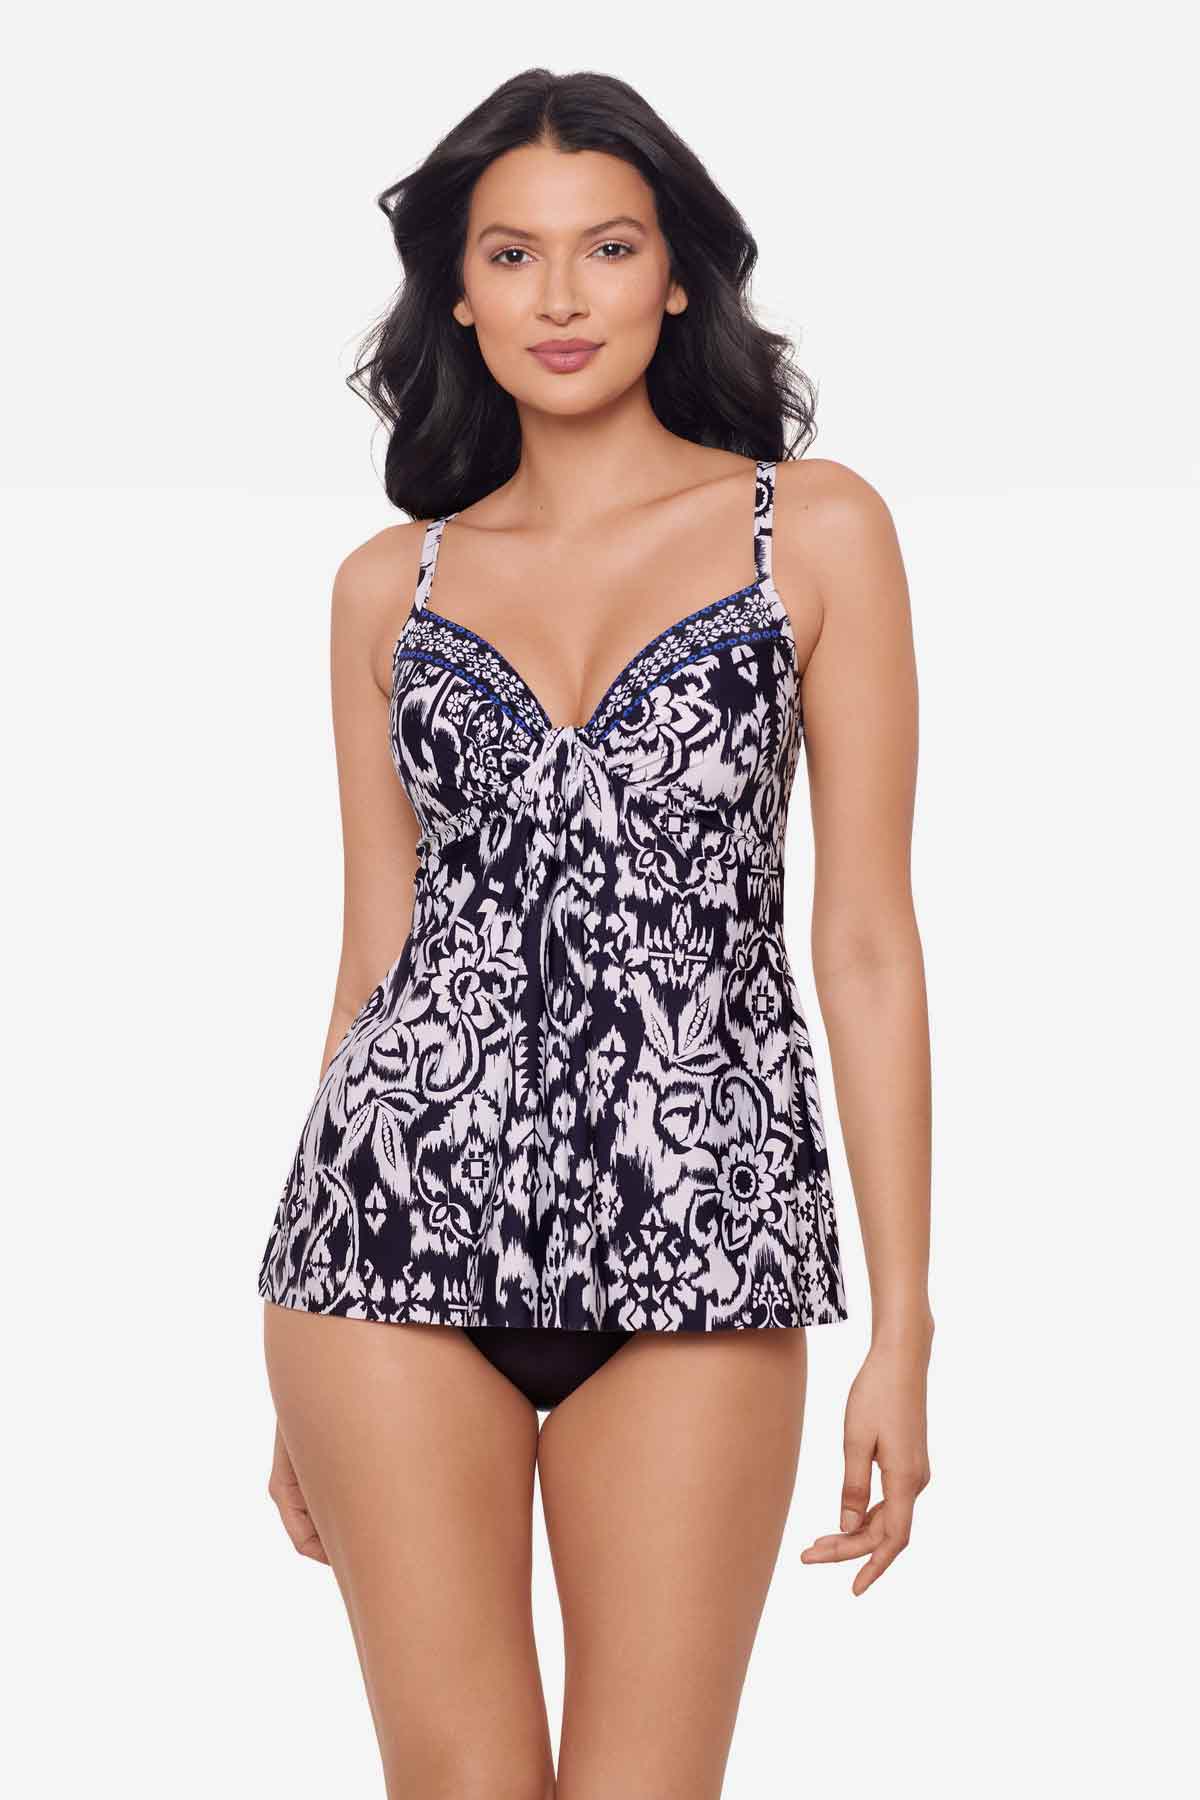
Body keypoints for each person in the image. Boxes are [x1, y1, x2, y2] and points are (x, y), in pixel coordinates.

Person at [257, 66, 932, 1800]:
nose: (561, 297)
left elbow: (866, 941)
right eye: (513, 254)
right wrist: (300, 1382)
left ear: (678, 275)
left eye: (608, 247)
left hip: (706, 1237)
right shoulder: (386, 587)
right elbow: (373, 956)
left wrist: (905, 1325)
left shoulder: (813, 531)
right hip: (385, 1242)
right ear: (459, 294)